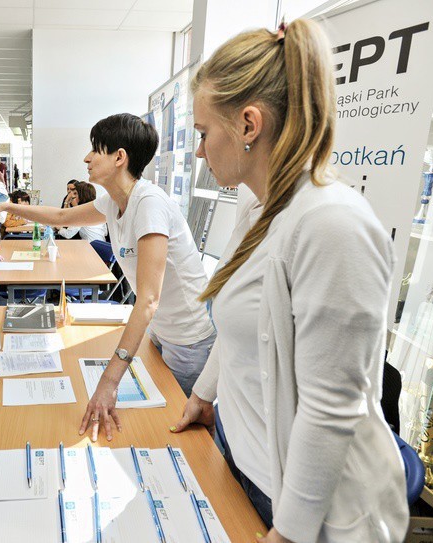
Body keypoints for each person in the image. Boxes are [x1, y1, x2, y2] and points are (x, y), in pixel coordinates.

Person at [170, 20, 408, 542]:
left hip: (302, 510)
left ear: (249, 124)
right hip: (243, 459)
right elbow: (240, 322)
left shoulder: (331, 223)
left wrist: (290, 533)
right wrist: (205, 395)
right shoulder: (258, 208)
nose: (201, 152)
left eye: (205, 133)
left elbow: (331, 407)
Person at [0, 113, 217, 436]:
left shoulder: (149, 204)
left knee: (182, 432)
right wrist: (5, 208)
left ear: (119, 158)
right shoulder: (113, 202)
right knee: (155, 423)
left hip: (189, 340)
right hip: (160, 332)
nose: (87, 158)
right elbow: (59, 216)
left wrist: (109, 381)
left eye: (95, 150)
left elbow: (149, 300)